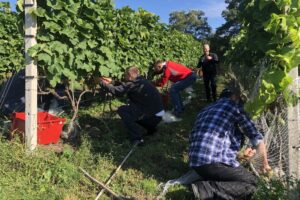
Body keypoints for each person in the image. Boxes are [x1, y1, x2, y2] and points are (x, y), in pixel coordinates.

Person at [189, 88, 271, 200]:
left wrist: (241, 156)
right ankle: (206, 189)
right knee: (253, 184)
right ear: (235, 98)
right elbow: (256, 138)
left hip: (196, 163)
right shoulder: (235, 107)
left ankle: (210, 185)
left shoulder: (206, 109)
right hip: (213, 163)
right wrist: (265, 164)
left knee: (235, 177)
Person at [99, 66, 165, 145]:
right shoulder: (141, 80)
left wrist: (100, 82)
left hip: (151, 117)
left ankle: (137, 138)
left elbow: (117, 91)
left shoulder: (133, 83)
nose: (124, 76)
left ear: (129, 76)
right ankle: (151, 128)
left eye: (125, 75)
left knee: (123, 110)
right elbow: (126, 86)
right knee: (135, 108)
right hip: (158, 115)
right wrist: (112, 82)